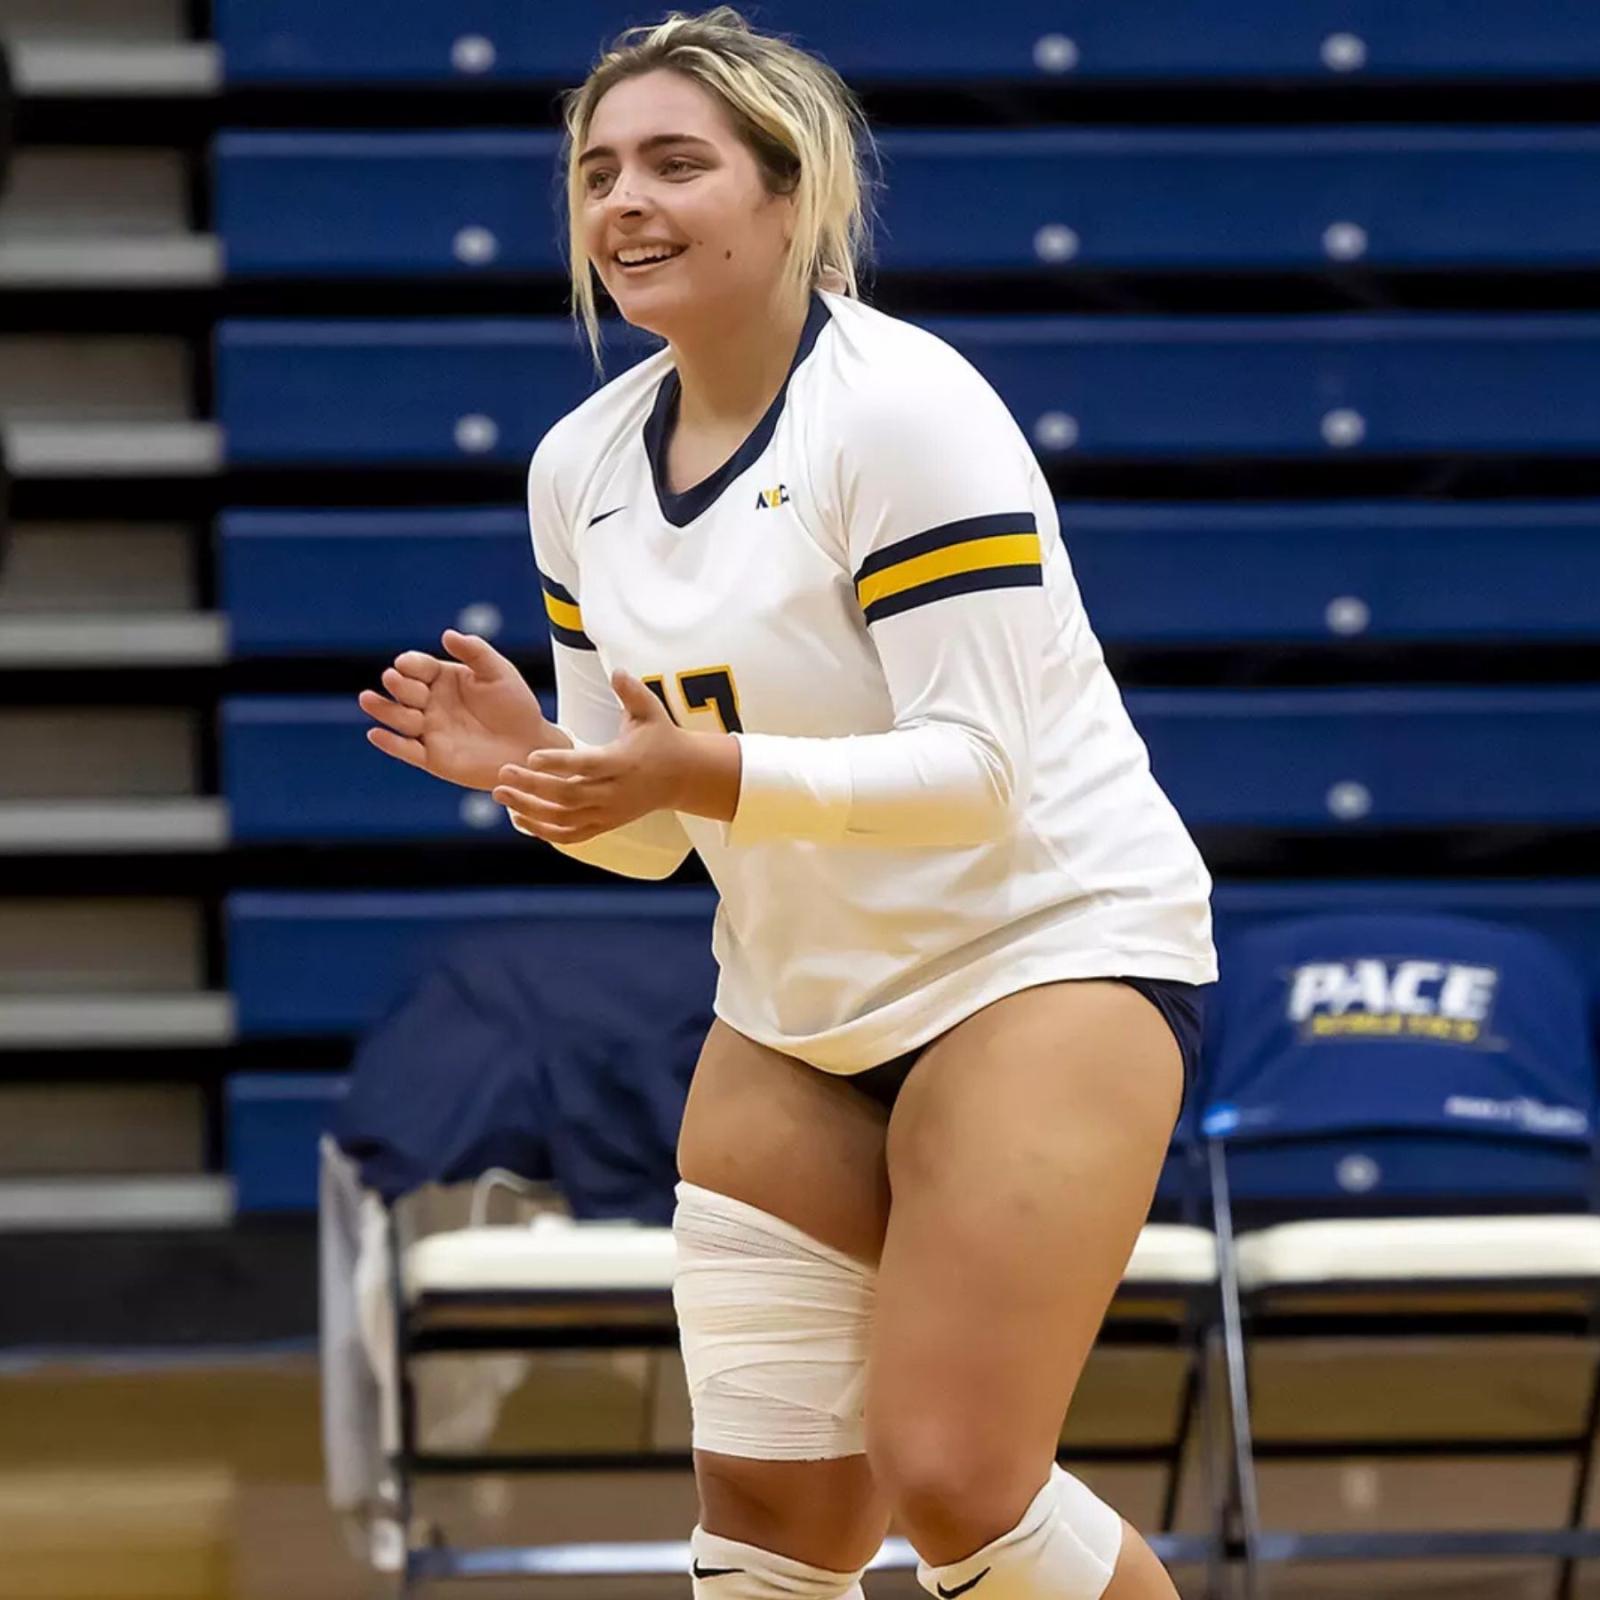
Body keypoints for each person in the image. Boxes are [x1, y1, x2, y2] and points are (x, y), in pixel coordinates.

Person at [359, 10, 1217, 1598]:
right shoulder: (580, 467)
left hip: (1040, 956)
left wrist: (697, 769)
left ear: (789, 191)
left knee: (958, 1482)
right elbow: (649, 839)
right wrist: (536, 773)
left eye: (676, 163)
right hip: (796, 1007)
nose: (626, 200)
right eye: (599, 170)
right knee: (770, 1517)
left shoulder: (901, 409)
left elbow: (977, 774)